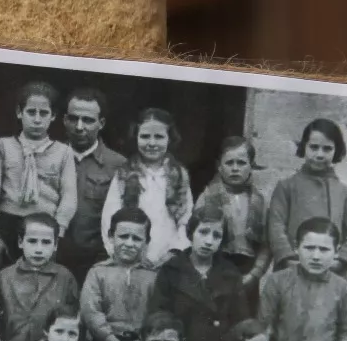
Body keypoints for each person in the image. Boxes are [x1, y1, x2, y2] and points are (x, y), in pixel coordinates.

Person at [150, 206, 248, 341]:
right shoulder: (171, 271)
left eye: (216, 236)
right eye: (203, 232)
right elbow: (158, 319)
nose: (209, 241)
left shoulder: (231, 274)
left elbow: (241, 323)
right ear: (191, 233)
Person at [0, 80, 77, 271]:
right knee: (7, 275)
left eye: (44, 113)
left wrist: (58, 232)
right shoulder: (4, 146)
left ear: (53, 115)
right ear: (19, 112)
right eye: (31, 112)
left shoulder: (63, 152)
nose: (37, 119)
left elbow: (69, 196)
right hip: (8, 223)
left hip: (45, 226)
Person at [266, 118, 347, 275]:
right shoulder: (286, 187)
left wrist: (340, 261)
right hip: (293, 270)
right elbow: (276, 227)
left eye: (327, 149)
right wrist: (289, 259)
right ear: (304, 147)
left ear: (336, 150)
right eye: (314, 147)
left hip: (331, 272)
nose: (319, 154)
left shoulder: (345, 193)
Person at [100, 107, 192, 267]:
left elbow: (187, 220)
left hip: (169, 261)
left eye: (159, 137)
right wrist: (118, 253)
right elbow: (110, 217)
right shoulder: (124, 174)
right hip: (131, 258)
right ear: (135, 137)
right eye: (145, 136)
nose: (152, 143)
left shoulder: (179, 175)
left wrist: (174, 252)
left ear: (169, 139)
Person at [81, 206, 158, 341]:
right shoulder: (98, 272)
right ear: (111, 236)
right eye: (123, 236)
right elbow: (91, 314)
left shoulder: (154, 275)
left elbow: (158, 313)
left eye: (137, 238)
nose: (129, 243)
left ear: (147, 242)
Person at [59, 88, 126, 282]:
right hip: (51, 257)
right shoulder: (51, 156)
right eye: (73, 119)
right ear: (64, 120)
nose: (79, 127)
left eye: (88, 120)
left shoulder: (118, 165)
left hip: (96, 263)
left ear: (101, 123)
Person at [0, 212, 79, 341]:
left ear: (55, 245)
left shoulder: (65, 277)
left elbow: (74, 321)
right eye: (32, 241)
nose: (39, 249)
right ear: (20, 242)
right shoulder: (5, 277)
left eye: (46, 242)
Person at [194, 135, 272, 294]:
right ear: (219, 166)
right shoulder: (208, 197)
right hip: (214, 267)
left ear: (251, 166)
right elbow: (196, 238)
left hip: (248, 270)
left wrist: (254, 275)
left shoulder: (260, 201)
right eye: (229, 163)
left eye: (241, 163)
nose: (235, 168)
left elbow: (267, 244)